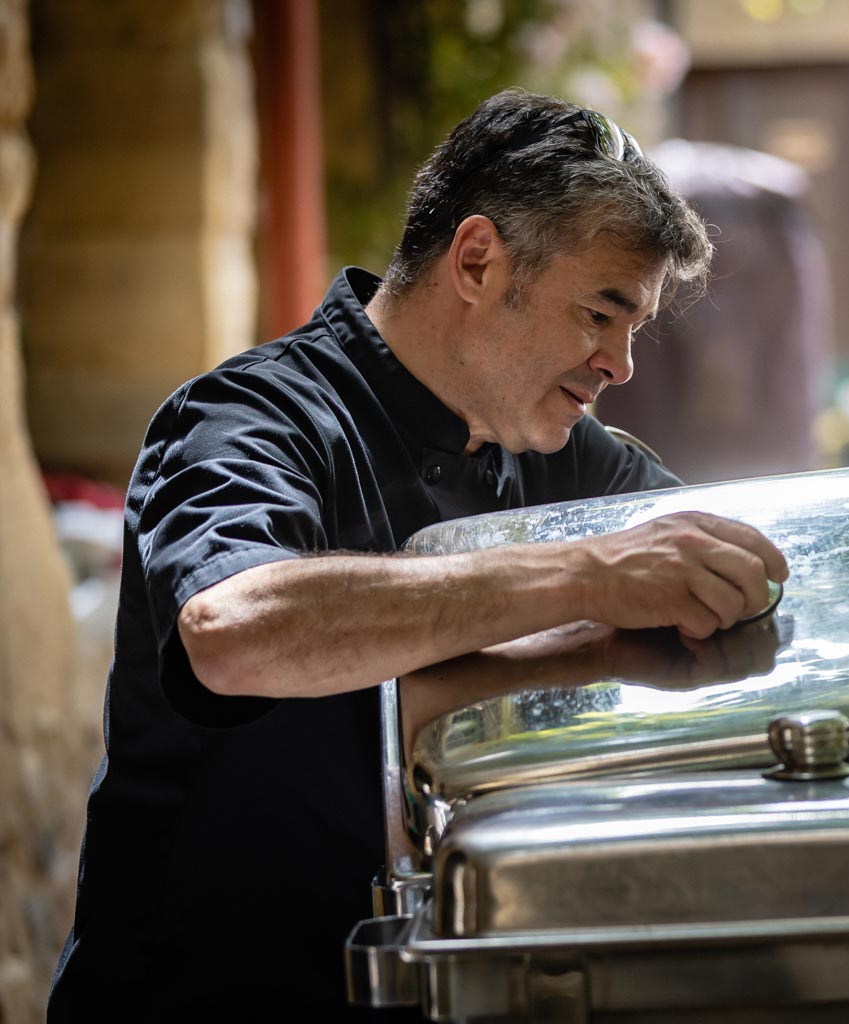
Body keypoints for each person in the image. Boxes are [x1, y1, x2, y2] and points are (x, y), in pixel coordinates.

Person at [48, 89, 788, 1022]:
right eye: (602, 313)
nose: (620, 364)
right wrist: (586, 577)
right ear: (477, 260)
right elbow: (232, 631)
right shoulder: (248, 416)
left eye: (634, 327)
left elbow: (731, 572)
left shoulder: (576, 459)